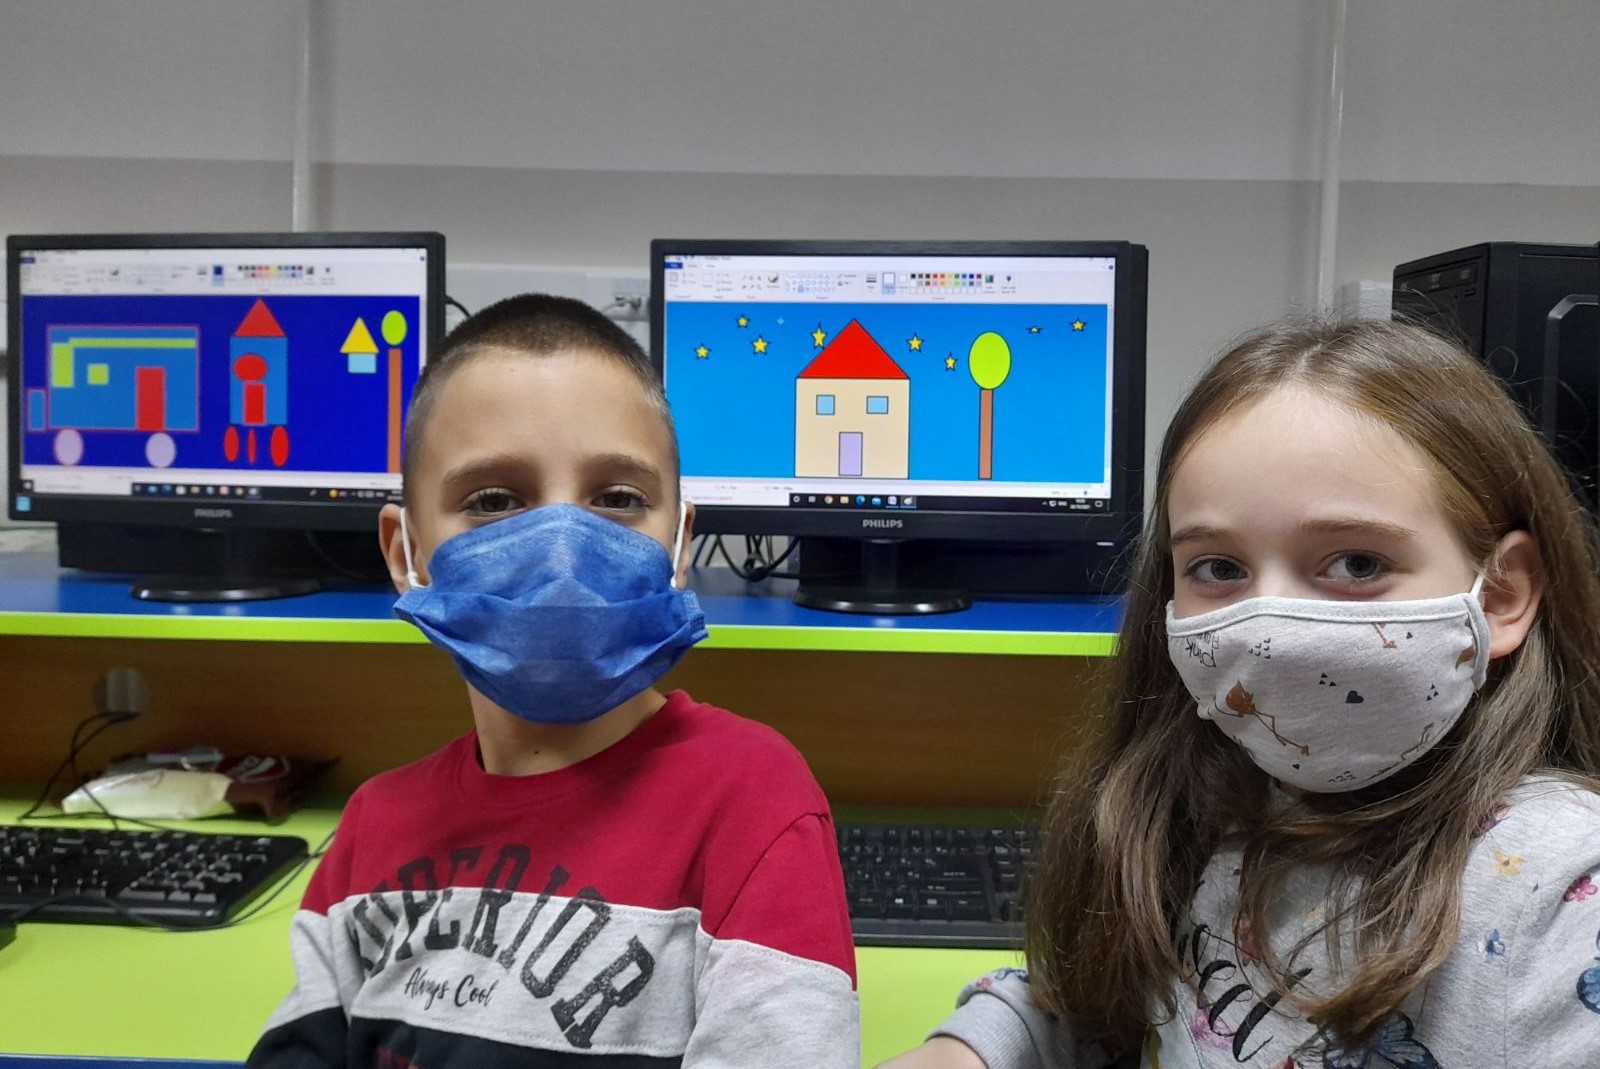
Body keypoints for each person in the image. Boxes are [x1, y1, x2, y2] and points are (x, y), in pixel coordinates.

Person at [882, 318, 1600, 1068]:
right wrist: (972, 1051)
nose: (1269, 629)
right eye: (1220, 569)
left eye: (1357, 563)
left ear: (1501, 593)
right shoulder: (1204, 798)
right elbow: (1098, 1005)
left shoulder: (1561, 892)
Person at [248, 294, 858, 1067]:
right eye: (494, 501)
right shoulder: (369, 829)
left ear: (679, 544)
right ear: (406, 552)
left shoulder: (754, 804)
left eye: (618, 499)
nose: (564, 550)